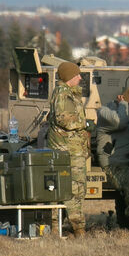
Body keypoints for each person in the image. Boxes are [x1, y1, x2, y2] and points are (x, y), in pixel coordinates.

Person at [47, 61, 90, 236]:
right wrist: (85, 124)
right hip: (68, 150)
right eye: (77, 75)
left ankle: (59, 226)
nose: (80, 78)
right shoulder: (64, 95)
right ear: (69, 77)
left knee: (70, 189)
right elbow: (64, 119)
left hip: (72, 149)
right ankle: (77, 228)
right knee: (75, 189)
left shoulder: (68, 94)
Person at [102, 87, 129, 228]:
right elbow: (121, 122)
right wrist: (124, 104)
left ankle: (126, 222)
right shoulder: (107, 112)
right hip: (114, 163)